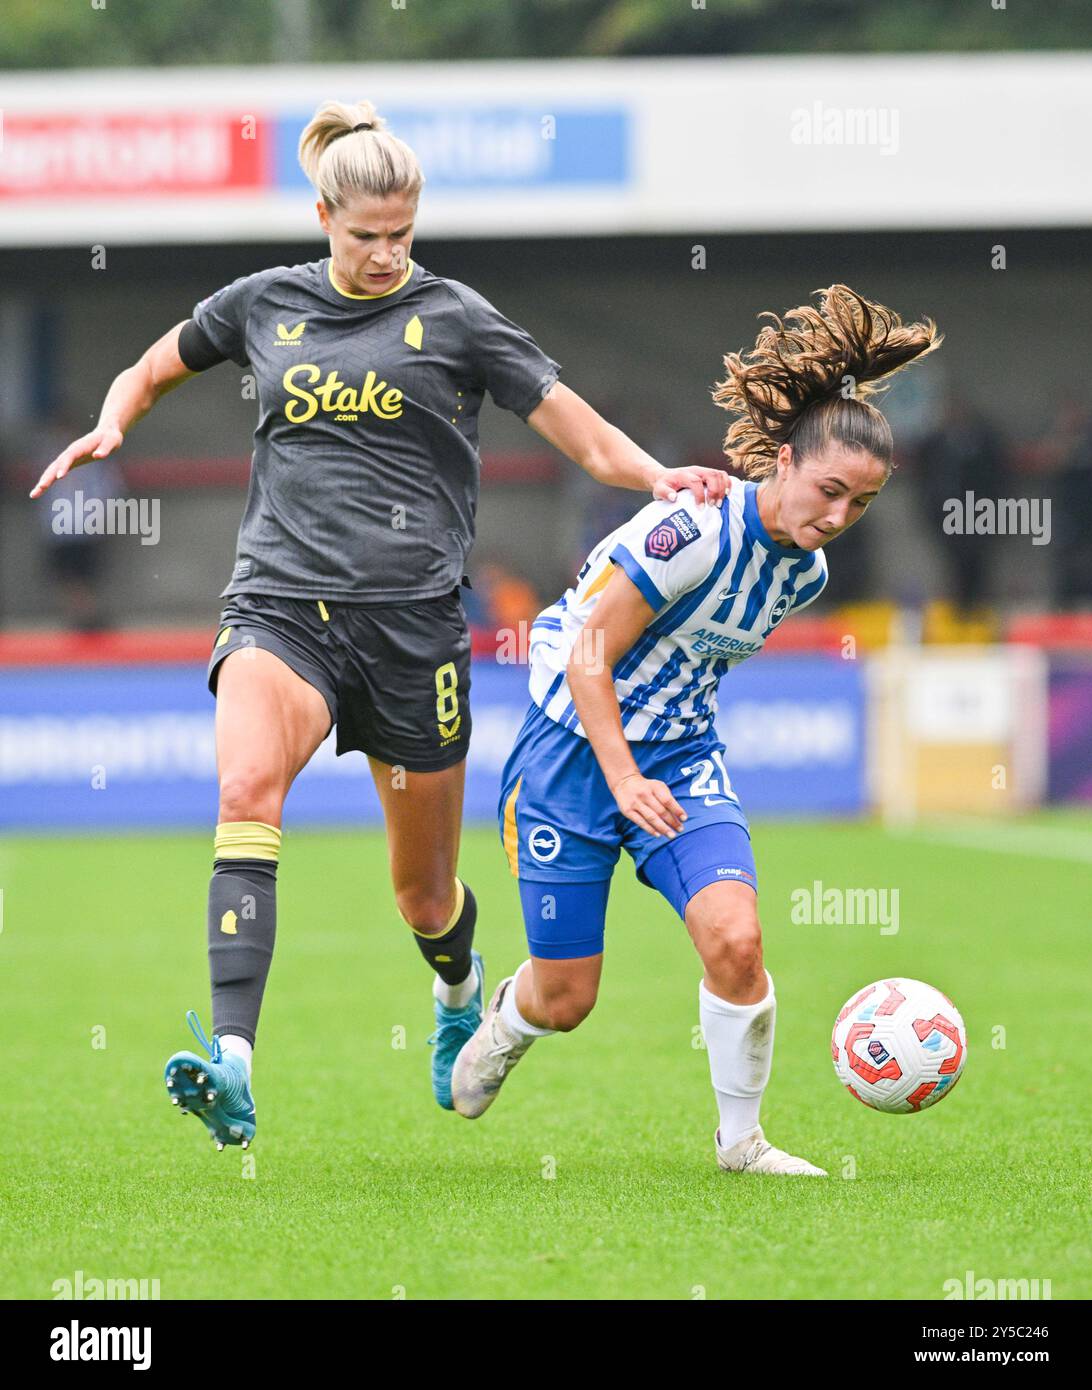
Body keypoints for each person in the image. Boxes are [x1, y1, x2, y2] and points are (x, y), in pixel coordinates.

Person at [28, 97, 732, 1151]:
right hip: (279, 604)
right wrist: (113, 421)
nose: (385, 254)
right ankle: (234, 1059)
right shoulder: (261, 303)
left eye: (402, 234)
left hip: (410, 630)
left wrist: (650, 474)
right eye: (366, 237)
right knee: (245, 789)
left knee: (423, 893)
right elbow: (157, 362)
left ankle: (458, 993)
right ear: (322, 214)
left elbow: (567, 419)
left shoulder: (456, 317)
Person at [451, 285, 942, 1175]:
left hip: (678, 758)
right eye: (828, 489)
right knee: (567, 998)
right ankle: (502, 1026)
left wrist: (663, 762)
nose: (834, 517)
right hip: (570, 752)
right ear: (783, 463)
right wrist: (623, 775)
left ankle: (741, 1141)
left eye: (859, 504)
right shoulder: (692, 531)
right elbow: (588, 653)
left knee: (736, 941)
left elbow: (691, 663)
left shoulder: (806, 574)